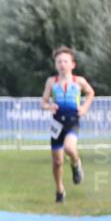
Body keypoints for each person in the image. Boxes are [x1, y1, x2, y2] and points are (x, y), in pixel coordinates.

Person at [41, 46, 95, 203]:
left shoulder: (79, 81)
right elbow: (43, 101)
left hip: (72, 120)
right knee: (57, 162)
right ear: (55, 65)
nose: (62, 65)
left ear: (72, 65)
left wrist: (84, 108)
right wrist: (48, 106)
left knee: (69, 148)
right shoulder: (51, 82)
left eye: (65, 61)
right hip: (57, 123)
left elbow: (91, 93)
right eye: (59, 62)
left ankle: (76, 163)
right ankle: (60, 190)